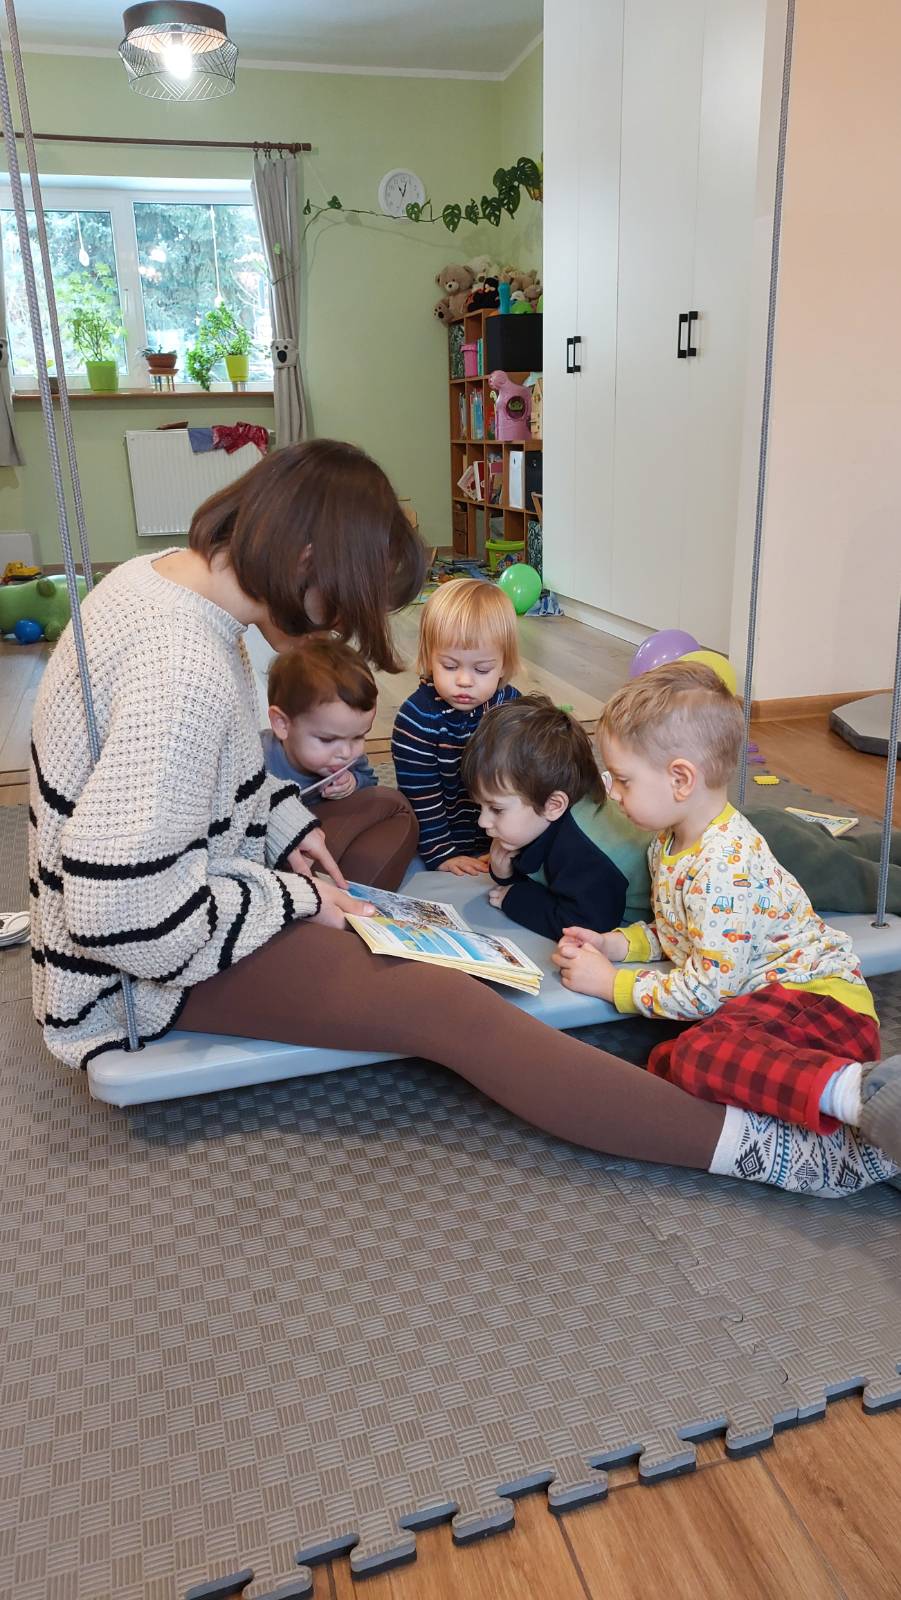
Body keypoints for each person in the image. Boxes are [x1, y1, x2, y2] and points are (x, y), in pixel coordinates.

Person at [28, 439, 894, 1200]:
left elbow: (214, 778)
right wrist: (294, 900)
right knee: (451, 1006)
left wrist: (286, 829)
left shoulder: (155, 578)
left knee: (377, 813)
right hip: (146, 972)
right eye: (349, 606)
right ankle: (781, 1153)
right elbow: (121, 915)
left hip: (198, 882)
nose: (343, 629)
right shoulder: (181, 667)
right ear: (307, 561)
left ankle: (340, 906)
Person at [553, 661, 901, 1174]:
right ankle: (816, 1109)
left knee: (698, 1056)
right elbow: (679, 930)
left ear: (680, 779)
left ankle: (858, 1092)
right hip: (768, 1005)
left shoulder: (723, 864)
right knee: (672, 1061)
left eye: (622, 780)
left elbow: (705, 993)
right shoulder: (669, 842)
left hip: (821, 1006)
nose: (614, 794)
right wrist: (617, 945)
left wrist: (613, 984)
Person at [460, 693, 645, 941]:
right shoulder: (549, 810)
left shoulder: (585, 854)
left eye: (497, 809)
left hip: (628, 925)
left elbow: (586, 925)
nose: (482, 821)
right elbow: (542, 865)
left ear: (554, 805)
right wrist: (505, 873)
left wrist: (516, 899)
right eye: (480, 806)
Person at [262, 637, 417, 890]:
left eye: (359, 737)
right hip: (277, 855)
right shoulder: (258, 756)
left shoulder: (345, 757)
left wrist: (353, 783)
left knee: (396, 809)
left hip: (327, 835)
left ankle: (345, 893)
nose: (345, 752)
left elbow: (369, 781)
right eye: (327, 740)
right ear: (282, 724)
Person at [391, 579, 520, 874]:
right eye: (449, 666)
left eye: (482, 669)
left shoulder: (513, 709)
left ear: (503, 664)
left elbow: (528, 785)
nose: (464, 681)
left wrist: (509, 842)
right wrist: (441, 854)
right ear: (429, 658)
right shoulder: (417, 719)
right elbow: (421, 797)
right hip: (437, 838)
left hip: (503, 838)